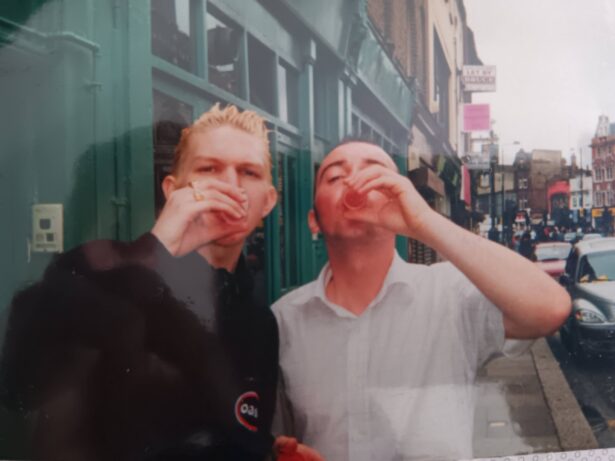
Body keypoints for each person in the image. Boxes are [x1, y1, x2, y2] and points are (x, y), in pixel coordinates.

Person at [0, 104, 319, 461]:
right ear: (173, 189)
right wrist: (158, 248)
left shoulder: (260, 322)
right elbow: (20, 389)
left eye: (248, 172)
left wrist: (267, 453)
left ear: (268, 202)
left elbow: (237, 433)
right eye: (208, 168)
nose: (230, 185)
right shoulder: (89, 269)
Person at [272, 139, 571, 461]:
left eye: (375, 172)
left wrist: (423, 222)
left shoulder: (448, 293)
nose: (355, 180)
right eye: (334, 177)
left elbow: (549, 309)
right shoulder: (283, 321)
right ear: (313, 219)